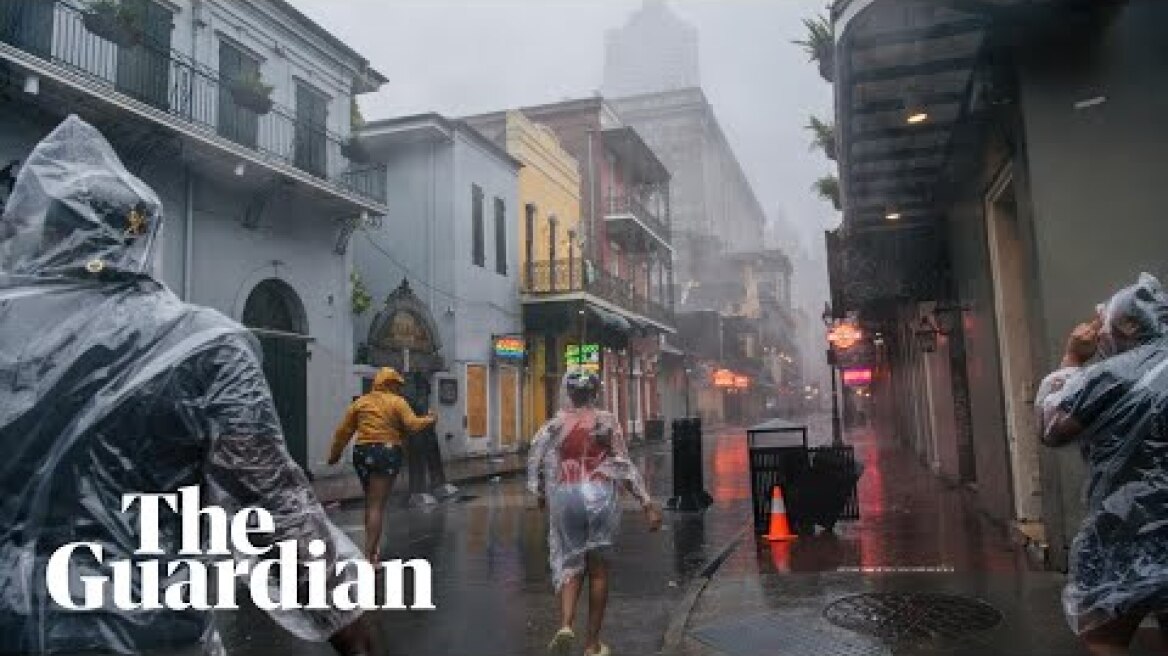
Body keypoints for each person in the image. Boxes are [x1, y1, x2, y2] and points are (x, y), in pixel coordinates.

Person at [0, 116, 371, 654]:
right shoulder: (205, 346)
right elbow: (274, 509)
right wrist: (355, 636)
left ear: (50, 232)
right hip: (146, 634)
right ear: (143, 240)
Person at [1037, 273, 1168, 655]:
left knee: (1105, 634)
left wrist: (1072, 359)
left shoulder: (1112, 374)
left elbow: (1053, 427)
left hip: (1122, 524)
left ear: (1127, 325)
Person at [527, 370, 663, 656]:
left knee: (570, 564)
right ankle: (591, 644)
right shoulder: (604, 423)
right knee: (598, 571)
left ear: (569, 392)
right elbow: (622, 465)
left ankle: (565, 624)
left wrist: (540, 493)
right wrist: (647, 503)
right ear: (595, 392)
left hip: (566, 494)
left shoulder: (555, 425)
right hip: (598, 493)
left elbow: (538, 459)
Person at [327, 366, 436, 561]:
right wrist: (429, 419)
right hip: (386, 452)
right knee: (377, 505)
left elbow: (343, 432)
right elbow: (412, 425)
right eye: (397, 385)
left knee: (371, 502)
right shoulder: (397, 402)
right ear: (391, 384)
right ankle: (371, 557)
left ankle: (371, 550)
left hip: (362, 453)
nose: (399, 389)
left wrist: (334, 455)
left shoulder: (360, 403)